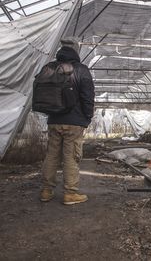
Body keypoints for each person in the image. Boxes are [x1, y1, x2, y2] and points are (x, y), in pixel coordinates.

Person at [40, 37, 94, 205]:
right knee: (71, 156)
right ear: (76, 51)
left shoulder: (49, 68)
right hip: (74, 121)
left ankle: (46, 191)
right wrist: (87, 117)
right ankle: (70, 193)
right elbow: (87, 98)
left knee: (52, 155)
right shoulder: (81, 70)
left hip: (54, 120)